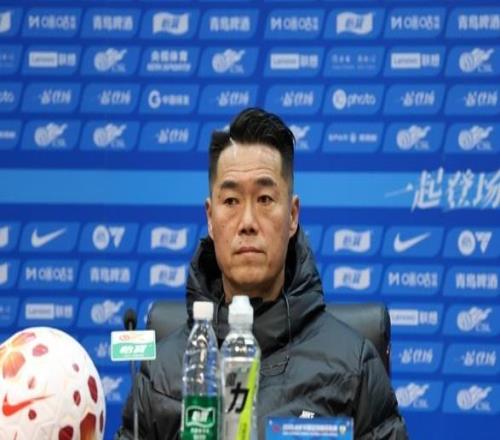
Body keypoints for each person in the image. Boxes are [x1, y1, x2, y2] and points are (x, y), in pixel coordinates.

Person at [115, 108, 408, 439]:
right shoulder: (160, 376)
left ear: (292, 216)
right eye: (231, 201)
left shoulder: (353, 368)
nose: (248, 222)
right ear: (210, 218)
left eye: (265, 199)